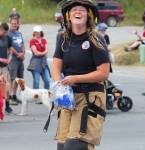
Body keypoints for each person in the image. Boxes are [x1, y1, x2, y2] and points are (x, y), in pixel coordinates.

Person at [51, 0, 110, 150]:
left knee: (76, 146)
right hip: (68, 98)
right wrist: (61, 87)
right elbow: (56, 66)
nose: (78, 12)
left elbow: (103, 73)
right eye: (74, 10)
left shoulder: (96, 39)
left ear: (88, 15)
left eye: (82, 10)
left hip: (89, 98)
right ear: (68, 16)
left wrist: (75, 79)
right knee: (62, 146)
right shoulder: (62, 38)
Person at [27, 25, 50, 90]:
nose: (37, 33)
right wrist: (44, 53)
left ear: (41, 32)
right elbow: (36, 53)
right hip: (35, 63)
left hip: (43, 63)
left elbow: (47, 50)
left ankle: (46, 95)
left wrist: (42, 53)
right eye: (35, 32)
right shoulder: (32, 41)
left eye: (38, 32)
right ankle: (35, 98)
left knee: (47, 80)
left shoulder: (43, 40)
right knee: (36, 82)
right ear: (34, 32)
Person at [8, 18, 25, 105]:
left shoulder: (19, 33)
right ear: (10, 23)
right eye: (12, 23)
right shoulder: (8, 34)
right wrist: (18, 54)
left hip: (20, 59)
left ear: (18, 24)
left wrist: (23, 53)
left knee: (19, 79)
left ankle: (14, 95)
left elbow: (22, 44)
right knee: (13, 78)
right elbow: (10, 46)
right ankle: (10, 96)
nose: (14, 25)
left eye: (15, 24)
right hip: (13, 59)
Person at [0, 22, 13, 113]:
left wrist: (10, 57)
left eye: (6, 32)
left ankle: (7, 106)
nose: (5, 34)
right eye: (4, 32)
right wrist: (2, 59)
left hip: (4, 67)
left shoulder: (8, 38)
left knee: (7, 86)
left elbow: (10, 49)